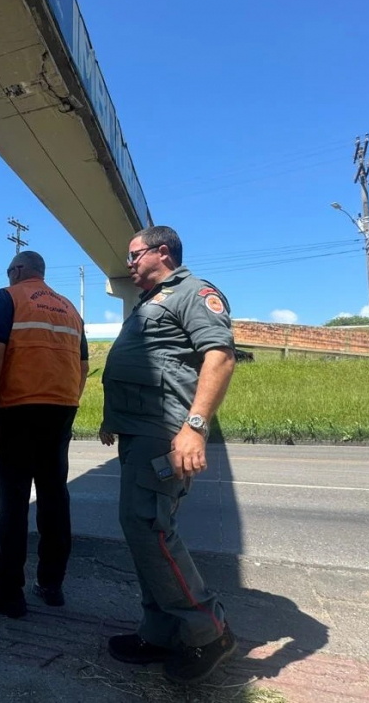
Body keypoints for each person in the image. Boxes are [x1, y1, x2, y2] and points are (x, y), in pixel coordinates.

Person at [99, 226, 238, 684]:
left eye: (134, 255)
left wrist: (195, 429)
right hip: (138, 432)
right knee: (140, 531)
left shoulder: (193, 292)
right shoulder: (148, 302)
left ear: (162, 252)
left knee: (151, 529)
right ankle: (158, 631)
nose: (130, 264)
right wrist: (113, 417)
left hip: (165, 433)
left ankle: (208, 629)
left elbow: (219, 356)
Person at [0, 250, 88, 618]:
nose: (7, 277)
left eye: (9, 271)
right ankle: (51, 585)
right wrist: (67, 402)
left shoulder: (8, 298)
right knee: (55, 498)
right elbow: (83, 366)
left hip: (17, 410)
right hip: (61, 410)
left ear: (19, 270)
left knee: (12, 504)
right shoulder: (70, 308)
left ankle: (8, 592)